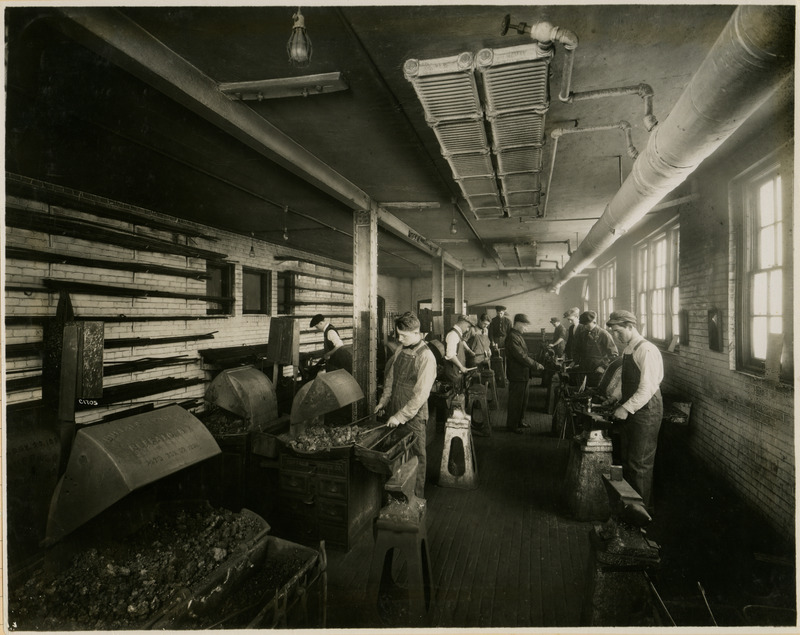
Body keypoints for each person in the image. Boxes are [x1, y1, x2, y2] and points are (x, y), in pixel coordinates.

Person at [604, 310, 664, 510]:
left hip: (646, 411)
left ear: (631, 327)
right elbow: (625, 380)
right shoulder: (628, 349)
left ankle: (642, 516)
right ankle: (631, 509)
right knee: (629, 461)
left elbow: (647, 387)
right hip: (633, 409)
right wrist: (616, 396)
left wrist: (626, 408)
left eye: (618, 331)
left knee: (640, 465)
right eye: (613, 332)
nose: (616, 336)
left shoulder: (646, 350)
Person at [374, 312, 437, 498]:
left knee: (416, 458)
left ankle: (415, 501)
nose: (399, 339)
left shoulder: (427, 357)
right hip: (394, 409)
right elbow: (390, 380)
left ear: (417, 333)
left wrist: (400, 416)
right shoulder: (401, 349)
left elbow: (420, 396)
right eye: (398, 334)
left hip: (414, 417)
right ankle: (398, 498)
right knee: (396, 456)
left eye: (403, 335)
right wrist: (383, 401)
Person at [504, 314, 544, 434]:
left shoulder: (517, 335)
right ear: (518, 324)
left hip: (523, 374)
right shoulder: (512, 337)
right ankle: (512, 425)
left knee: (523, 400)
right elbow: (521, 356)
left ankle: (519, 421)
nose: (526, 329)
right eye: (525, 326)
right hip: (517, 374)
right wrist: (536, 365)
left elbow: (524, 354)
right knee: (516, 401)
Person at [572, 310, 618, 388]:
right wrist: (575, 361)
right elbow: (577, 350)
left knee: (595, 390)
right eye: (584, 324)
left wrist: (604, 367)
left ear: (594, 321)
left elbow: (614, 355)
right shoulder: (583, 334)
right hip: (584, 368)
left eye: (587, 324)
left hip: (598, 369)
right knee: (583, 390)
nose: (585, 326)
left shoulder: (603, 334)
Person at [443, 315, 477, 393]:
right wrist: (461, 366)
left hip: (457, 372)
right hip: (453, 373)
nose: (467, 329)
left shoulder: (458, 334)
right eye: (468, 326)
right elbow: (450, 355)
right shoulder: (453, 334)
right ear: (463, 323)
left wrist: (469, 351)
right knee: (455, 398)